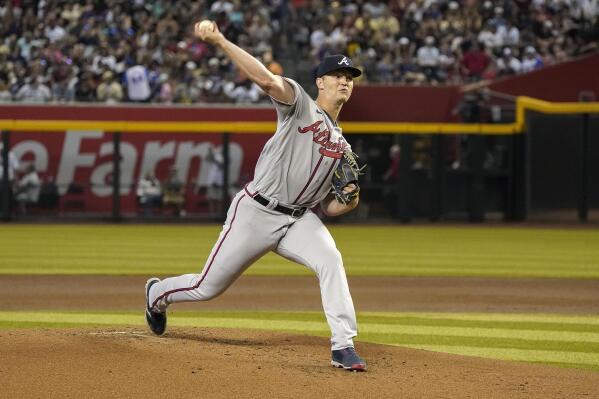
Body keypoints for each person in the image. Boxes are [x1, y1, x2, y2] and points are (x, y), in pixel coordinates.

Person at [145, 20, 367, 371]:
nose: (345, 81)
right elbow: (266, 79)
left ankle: (343, 345)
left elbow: (330, 207)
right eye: (337, 75)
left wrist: (351, 199)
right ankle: (157, 295)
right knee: (208, 287)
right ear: (320, 82)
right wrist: (219, 39)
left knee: (331, 260)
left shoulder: (342, 146)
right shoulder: (300, 104)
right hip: (257, 211)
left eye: (350, 77)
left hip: (298, 219)